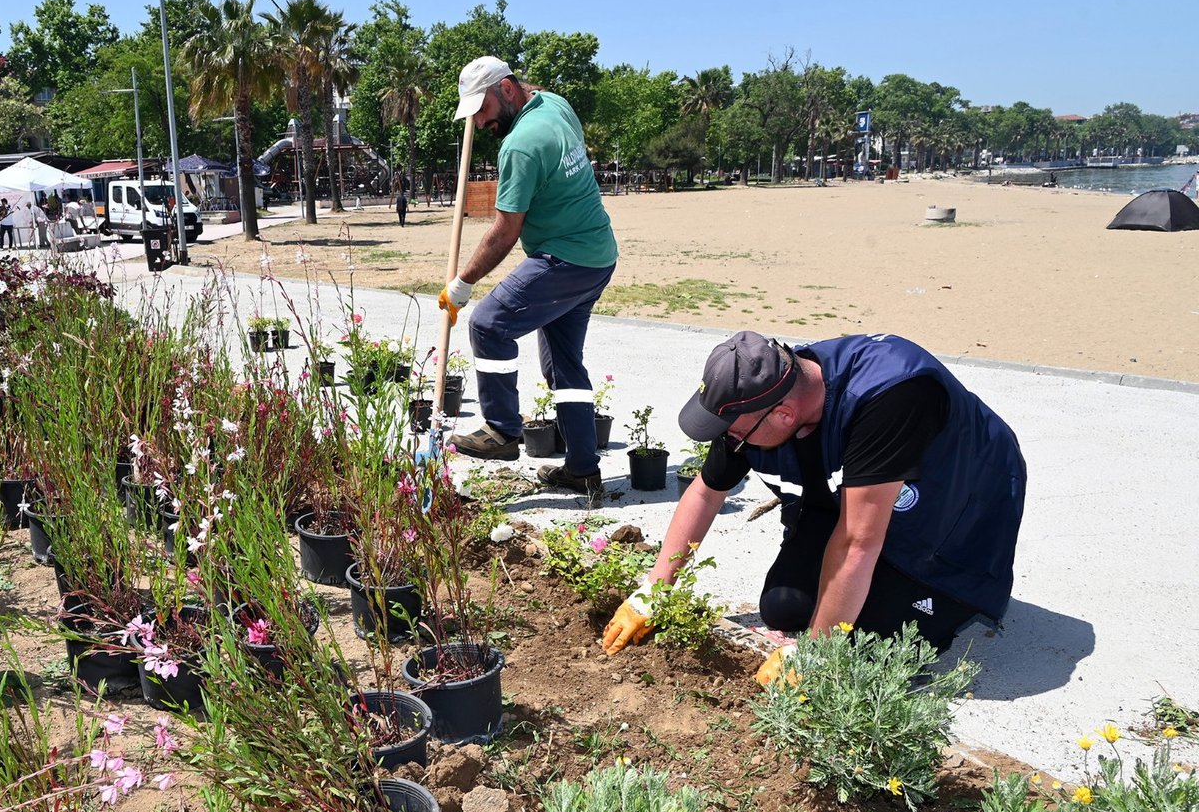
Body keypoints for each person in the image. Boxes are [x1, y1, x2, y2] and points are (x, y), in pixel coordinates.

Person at [602, 331, 1027, 656]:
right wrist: (653, 591)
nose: (730, 442)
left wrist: (815, 655)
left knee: (876, 641)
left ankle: (939, 596)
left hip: (952, 504)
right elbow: (706, 492)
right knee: (786, 608)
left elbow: (860, 541)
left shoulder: (892, 395)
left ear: (784, 414)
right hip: (855, 501)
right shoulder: (757, 399)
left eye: (734, 433)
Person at [437, 56, 618, 497]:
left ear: (508, 90)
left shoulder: (519, 146)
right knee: (563, 367)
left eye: (481, 109)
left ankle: (501, 430)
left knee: (488, 324)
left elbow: (504, 231)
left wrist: (462, 284)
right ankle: (582, 470)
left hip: (566, 259)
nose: (479, 123)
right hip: (598, 255)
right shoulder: (555, 104)